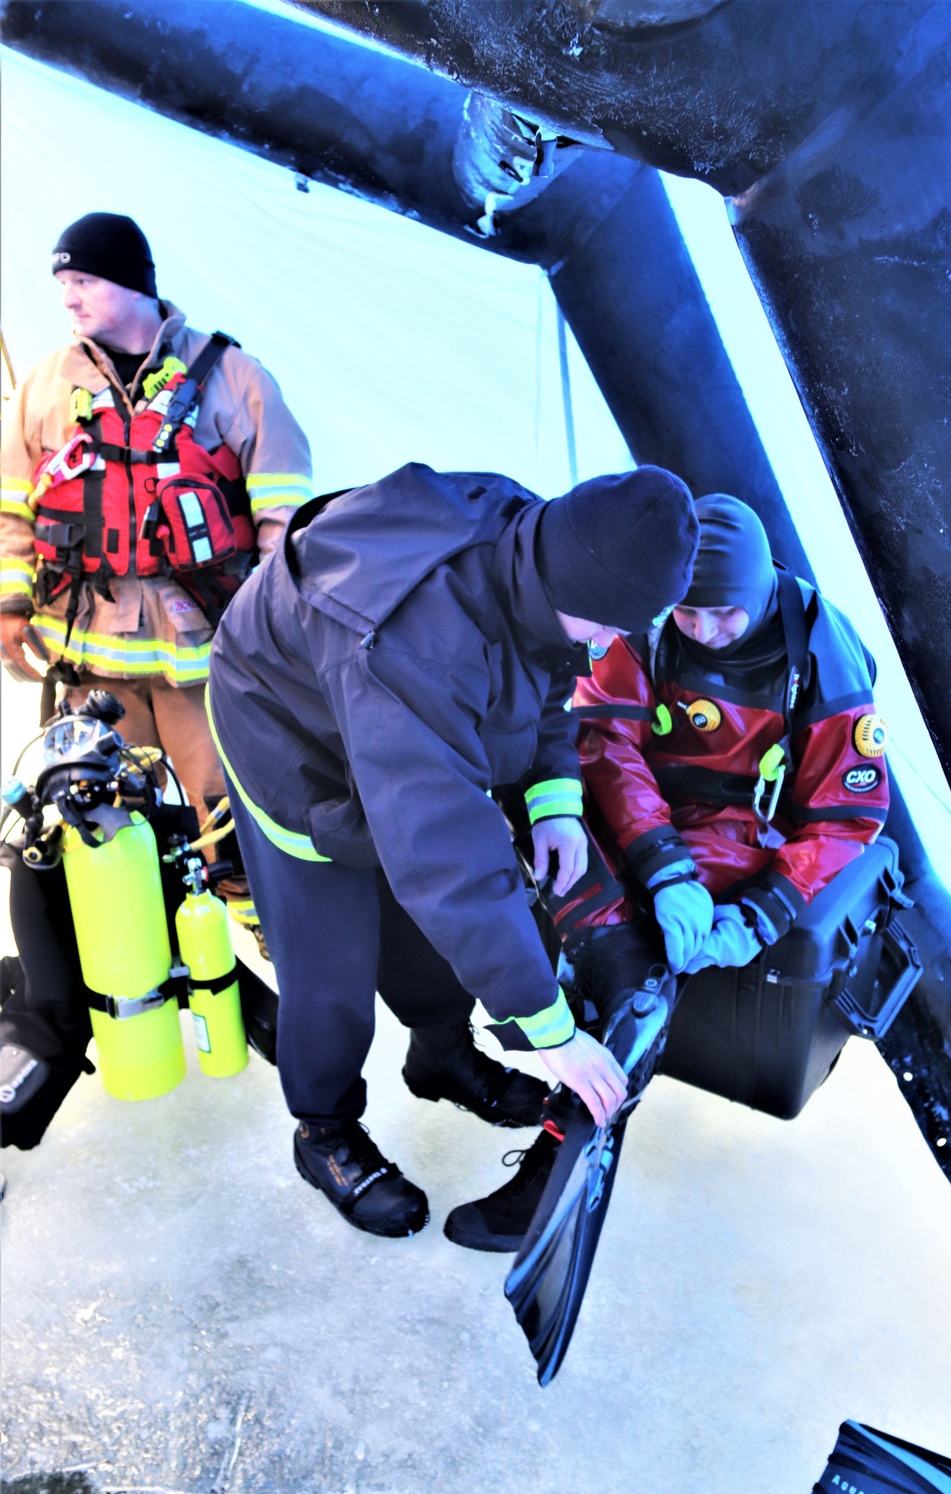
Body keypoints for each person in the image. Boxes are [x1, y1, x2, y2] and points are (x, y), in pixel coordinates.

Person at [207, 461, 701, 1238]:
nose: (607, 645)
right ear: (572, 584)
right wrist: (552, 1032)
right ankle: (324, 1130)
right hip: (288, 730)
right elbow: (450, 861)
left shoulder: (543, 545)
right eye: (605, 626)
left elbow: (546, 666)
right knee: (331, 952)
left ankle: (439, 1054)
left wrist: (554, 802)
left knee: (421, 924)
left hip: (375, 698)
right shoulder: (419, 647)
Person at [445, 494, 889, 1250]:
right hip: (634, 805)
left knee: (640, 973)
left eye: (727, 615)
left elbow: (844, 816)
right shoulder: (648, 618)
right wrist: (659, 863)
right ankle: (503, 1041)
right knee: (566, 890)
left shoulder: (821, 653)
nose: (708, 631)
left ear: (758, 590)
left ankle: (563, 1153)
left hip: (730, 827)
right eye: (692, 613)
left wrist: (762, 916)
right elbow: (606, 740)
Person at [0, 212, 312, 940]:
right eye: (62, 283)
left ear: (134, 283)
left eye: (83, 280)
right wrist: (10, 606)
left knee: (227, 808)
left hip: (203, 655)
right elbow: (11, 509)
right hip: (88, 658)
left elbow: (284, 512)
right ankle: (134, 943)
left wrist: (279, 626)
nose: (68, 298)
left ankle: (264, 935)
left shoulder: (234, 376)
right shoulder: (43, 386)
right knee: (102, 811)